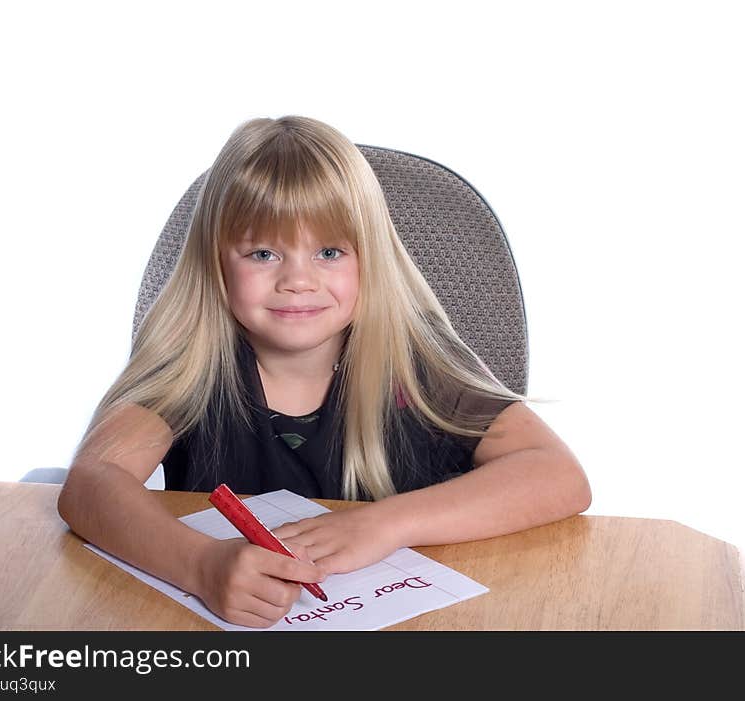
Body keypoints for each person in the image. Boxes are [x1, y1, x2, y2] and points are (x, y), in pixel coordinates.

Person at [57, 115, 591, 628]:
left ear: (370, 259)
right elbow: (89, 483)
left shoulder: (414, 357)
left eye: (329, 251)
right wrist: (200, 566)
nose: (297, 280)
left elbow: (558, 475)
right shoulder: (195, 359)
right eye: (263, 253)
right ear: (216, 262)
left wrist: (386, 524)